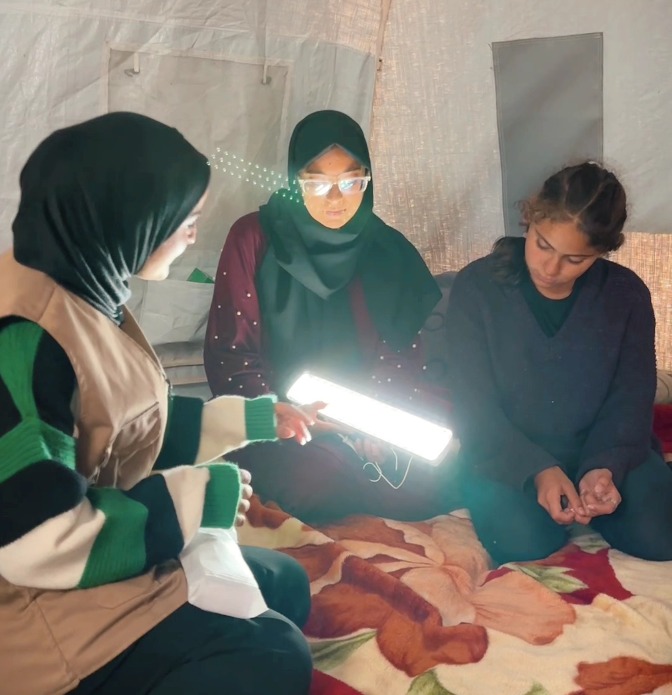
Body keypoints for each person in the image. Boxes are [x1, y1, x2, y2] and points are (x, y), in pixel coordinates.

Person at [0, 112, 320, 695]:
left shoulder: (82, 281)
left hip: (90, 547)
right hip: (34, 604)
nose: (194, 237)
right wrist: (192, 498)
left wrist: (254, 418)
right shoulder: (25, 338)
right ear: (132, 218)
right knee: (276, 654)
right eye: (187, 221)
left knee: (285, 584)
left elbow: (119, 423)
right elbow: (34, 543)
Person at [204, 109, 455, 524]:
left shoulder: (385, 249)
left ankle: (360, 472)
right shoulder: (254, 239)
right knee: (316, 482)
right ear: (294, 181)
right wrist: (284, 416)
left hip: (366, 416)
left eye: (351, 182)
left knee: (441, 470)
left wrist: (372, 425)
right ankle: (350, 477)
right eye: (317, 183)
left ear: (368, 178)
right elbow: (232, 357)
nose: (336, 198)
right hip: (281, 419)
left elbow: (401, 355)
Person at [445, 161, 672, 565]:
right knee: (525, 542)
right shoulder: (477, 289)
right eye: (543, 245)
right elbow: (472, 405)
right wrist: (538, 470)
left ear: (602, 252)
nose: (550, 269)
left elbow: (631, 396)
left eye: (575, 259)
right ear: (530, 219)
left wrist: (604, 468)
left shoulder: (626, 295)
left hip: (604, 446)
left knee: (660, 537)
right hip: (506, 453)